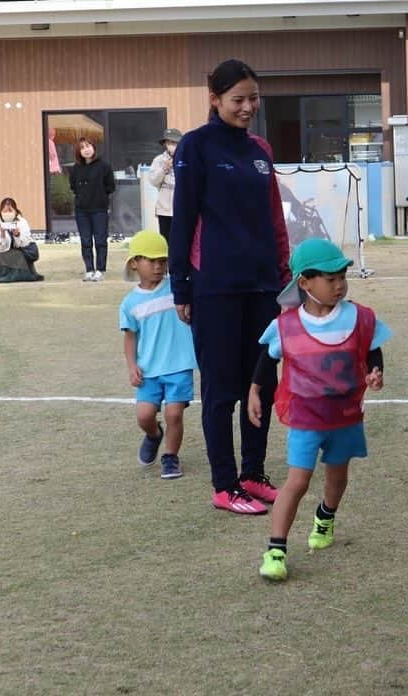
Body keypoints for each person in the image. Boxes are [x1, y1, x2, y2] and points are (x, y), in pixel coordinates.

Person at [169, 58, 292, 515]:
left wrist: (285, 272)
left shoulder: (261, 150)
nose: (247, 107)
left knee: (261, 382)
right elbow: (182, 220)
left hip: (263, 285)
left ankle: (253, 474)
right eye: (238, 99)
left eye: (253, 98)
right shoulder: (196, 147)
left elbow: (274, 216)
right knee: (221, 388)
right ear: (215, 100)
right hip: (214, 286)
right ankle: (225, 485)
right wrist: (181, 285)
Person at [254, 239, 391, 581]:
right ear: (304, 283)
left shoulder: (358, 316)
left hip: (344, 416)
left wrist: (376, 371)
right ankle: (276, 549)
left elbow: (371, 347)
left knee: (337, 477)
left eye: (342, 276)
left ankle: (325, 516)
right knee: (297, 481)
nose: (339, 284)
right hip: (304, 416)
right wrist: (256, 390)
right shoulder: (286, 325)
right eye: (330, 278)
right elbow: (267, 360)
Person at [119, 231, 197, 480]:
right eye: (151, 261)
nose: (157, 267)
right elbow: (130, 337)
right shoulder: (130, 303)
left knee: (174, 413)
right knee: (144, 417)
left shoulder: (177, 289)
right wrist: (132, 366)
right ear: (134, 263)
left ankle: (170, 457)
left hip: (179, 365)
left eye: (162, 261)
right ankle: (154, 435)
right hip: (149, 370)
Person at [69, 136, 115, 282]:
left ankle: (100, 270)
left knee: (100, 240)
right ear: (79, 152)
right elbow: (73, 187)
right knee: (85, 240)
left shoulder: (104, 166)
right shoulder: (75, 169)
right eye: (82, 147)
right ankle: (89, 269)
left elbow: (110, 186)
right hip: (82, 210)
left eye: (88, 146)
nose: (86, 150)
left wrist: (100, 196)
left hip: (99, 209)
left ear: (94, 148)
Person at [0, 197, 43, 283]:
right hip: (2, 254)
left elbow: (26, 242)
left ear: (15, 211)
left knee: (17, 255)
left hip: (19, 253)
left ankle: (20, 274)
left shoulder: (22, 222)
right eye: (5, 211)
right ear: (0, 212)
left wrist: (17, 235)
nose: (7, 214)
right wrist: (2, 234)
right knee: (0, 258)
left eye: (10, 211)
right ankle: (4, 275)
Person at [148, 128, 182, 241]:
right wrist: (164, 168)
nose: (171, 145)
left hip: (183, 207)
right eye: (168, 143)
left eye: (174, 142)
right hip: (164, 208)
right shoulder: (159, 160)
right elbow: (153, 180)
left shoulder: (187, 158)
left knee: (182, 240)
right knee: (166, 241)